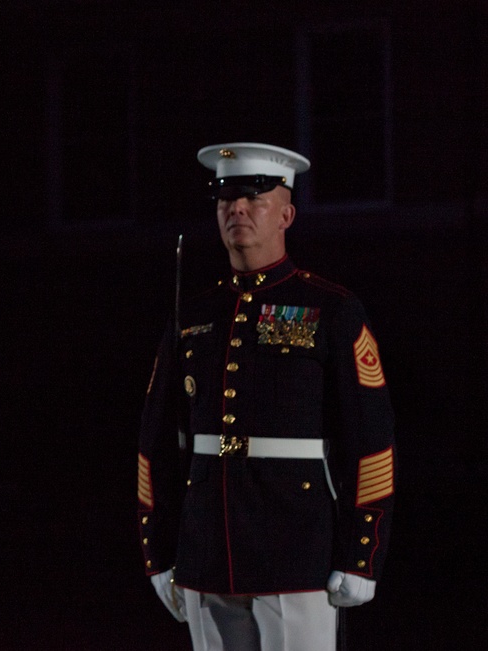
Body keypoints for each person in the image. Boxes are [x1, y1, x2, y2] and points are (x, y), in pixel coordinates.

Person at [137, 143, 395, 650]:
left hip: (297, 548)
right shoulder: (192, 316)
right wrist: (158, 549)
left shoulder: (330, 309)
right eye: (226, 198)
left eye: (255, 198)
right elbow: (156, 441)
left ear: (286, 214)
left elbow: (372, 439)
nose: (237, 209)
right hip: (207, 547)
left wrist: (362, 554)